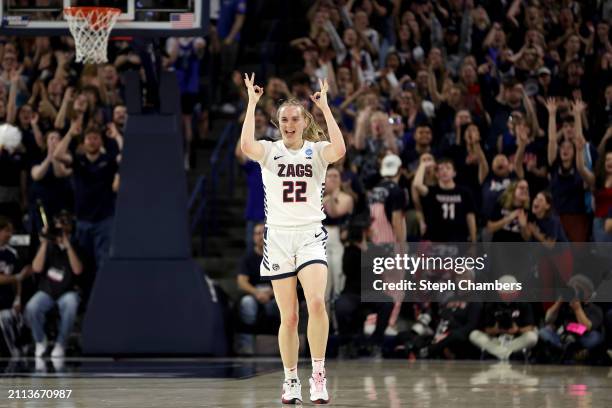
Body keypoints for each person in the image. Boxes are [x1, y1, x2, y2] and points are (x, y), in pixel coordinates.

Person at [240, 74, 345, 405]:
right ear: (278, 123)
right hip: (279, 238)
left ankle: (317, 374)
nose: (289, 123)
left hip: (311, 235)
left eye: (294, 118)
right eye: (284, 119)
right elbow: (246, 147)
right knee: (289, 317)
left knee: (316, 302)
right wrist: (251, 104)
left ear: (303, 121)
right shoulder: (270, 151)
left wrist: (326, 108)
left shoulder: (317, 151)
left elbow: (340, 149)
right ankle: (289, 379)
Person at [25, 211, 83, 358]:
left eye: (64, 224)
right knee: (32, 307)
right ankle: (40, 341)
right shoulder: (48, 245)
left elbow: (77, 270)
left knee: (71, 304)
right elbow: (36, 268)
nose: (60, 228)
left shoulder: (77, 243)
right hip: (47, 290)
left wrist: (67, 245)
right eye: (58, 225)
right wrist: (44, 242)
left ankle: (61, 343)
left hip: (67, 290)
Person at [234, 222, 279, 356]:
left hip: (273, 296)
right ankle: (247, 347)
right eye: (257, 233)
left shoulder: (277, 257)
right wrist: (257, 293)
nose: (260, 236)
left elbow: (285, 281)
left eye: (263, 232)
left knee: (284, 303)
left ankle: (282, 346)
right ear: (253, 237)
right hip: (254, 295)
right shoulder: (247, 259)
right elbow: (241, 282)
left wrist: (270, 294)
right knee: (246, 303)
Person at [0, 216, 28, 357]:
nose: (10, 234)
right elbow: (17, 276)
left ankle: (18, 352)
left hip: (8, 300)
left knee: (15, 317)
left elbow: (20, 278)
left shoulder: (12, 253)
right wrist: (16, 277)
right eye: (7, 231)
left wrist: (18, 299)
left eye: (11, 231)